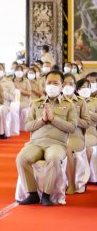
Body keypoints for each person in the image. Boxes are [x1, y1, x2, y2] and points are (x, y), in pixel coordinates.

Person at [17, 71, 77, 206]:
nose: (51, 86)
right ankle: (32, 194)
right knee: (21, 158)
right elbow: (27, 126)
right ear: (44, 85)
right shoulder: (36, 103)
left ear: (62, 86)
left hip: (57, 144)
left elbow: (72, 127)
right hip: (36, 143)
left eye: (55, 83)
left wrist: (53, 119)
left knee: (54, 159)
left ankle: (46, 194)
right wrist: (42, 120)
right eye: (49, 83)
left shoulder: (69, 105)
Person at [61, 74, 90, 195]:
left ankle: (72, 184)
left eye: (71, 84)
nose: (68, 86)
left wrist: (74, 120)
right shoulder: (54, 100)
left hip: (75, 135)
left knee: (68, 148)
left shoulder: (80, 102)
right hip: (58, 134)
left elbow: (87, 123)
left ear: (75, 86)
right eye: (65, 83)